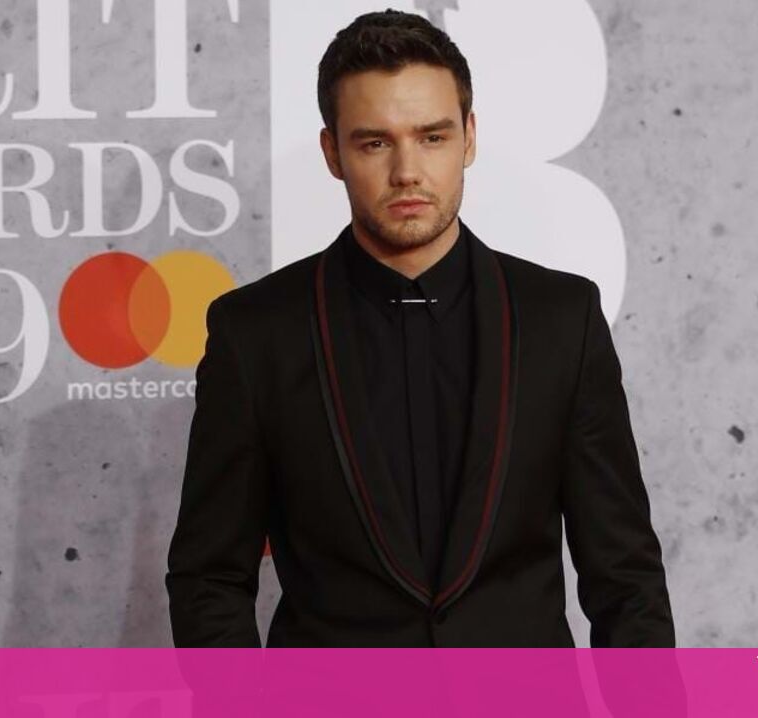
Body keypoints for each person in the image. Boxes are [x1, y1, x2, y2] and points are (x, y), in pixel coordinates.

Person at [165, 9, 675, 647]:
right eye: (375, 143)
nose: (407, 171)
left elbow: (624, 577)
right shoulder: (255, 334)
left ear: (468, 138)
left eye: (432, 137)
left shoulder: (561, 321)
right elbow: (209, 577)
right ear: (333, 152)